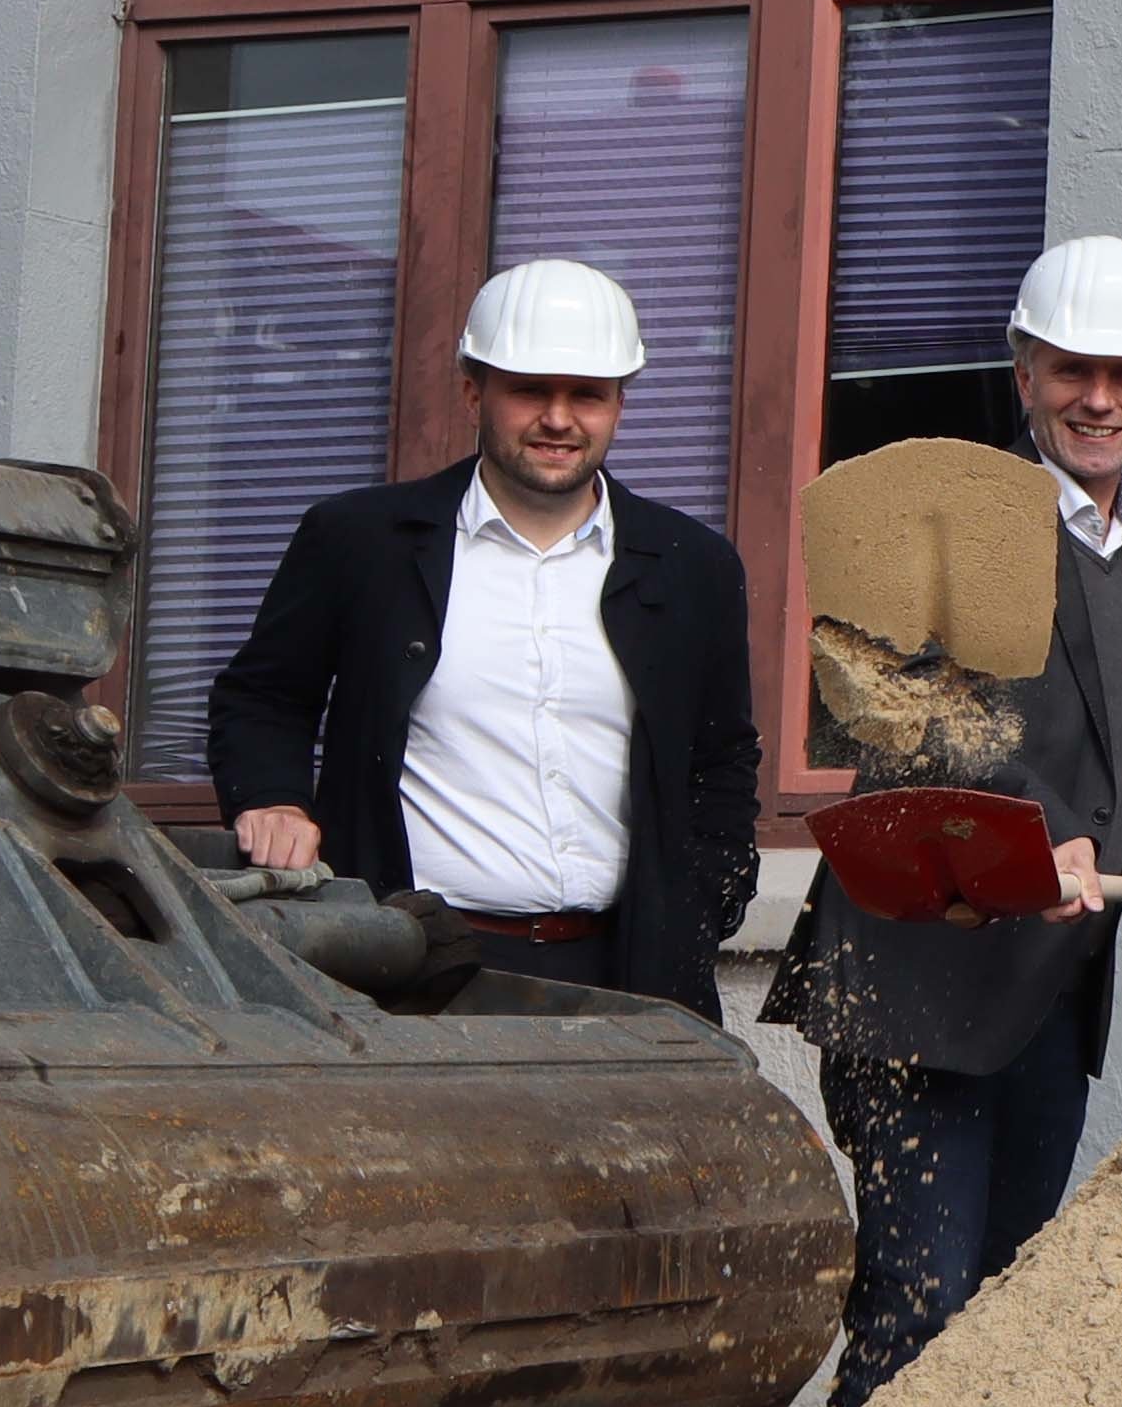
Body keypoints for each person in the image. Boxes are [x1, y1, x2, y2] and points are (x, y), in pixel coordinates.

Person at [773, 236, 1122, 1407]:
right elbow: (894, 718)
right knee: (916, 1312)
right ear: (1023, 370)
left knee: (1008, 1316)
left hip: (1052, 990)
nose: (1100, 400)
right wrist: (1030, 836)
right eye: (1073, 370)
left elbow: (1120, 750)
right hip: (920, 987)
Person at [205, 258, 757, 1017]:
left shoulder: (693, 566)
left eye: (587, 396)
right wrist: (272, 800)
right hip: (411, 967)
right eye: (531, 389)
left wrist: (706, 901)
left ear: (619, 405)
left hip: (629, 970)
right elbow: (263, 695)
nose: (559, 420)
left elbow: (721, 756)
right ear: (475, 391)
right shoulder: (361, 541)